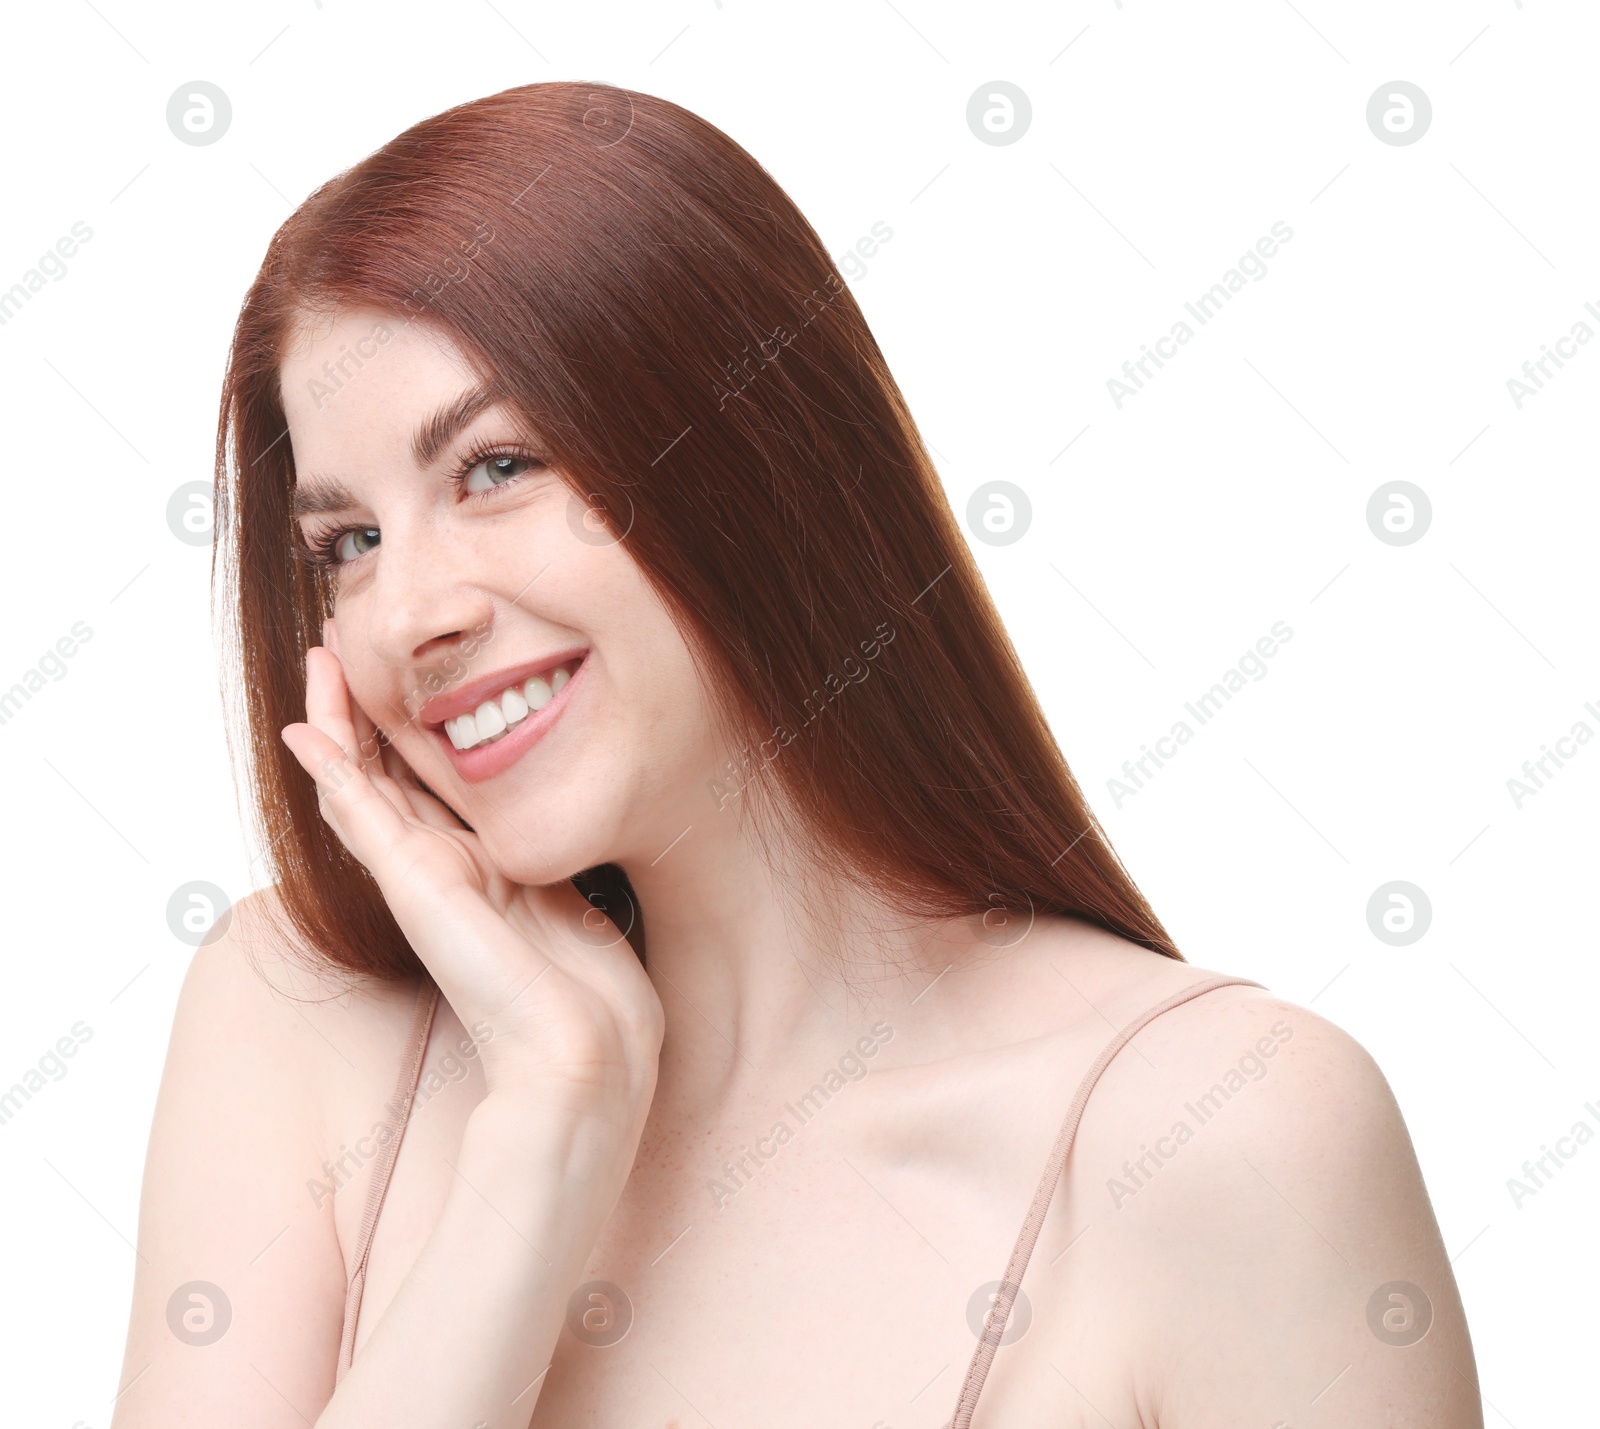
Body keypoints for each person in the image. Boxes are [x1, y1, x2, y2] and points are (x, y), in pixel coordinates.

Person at [110, 82, 1482, 1428]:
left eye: (495, 467)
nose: (407, 615)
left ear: (751, 452)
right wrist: (545, 1144)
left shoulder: (1225, 1139)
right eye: (347, 544)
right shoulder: (301, 1021)